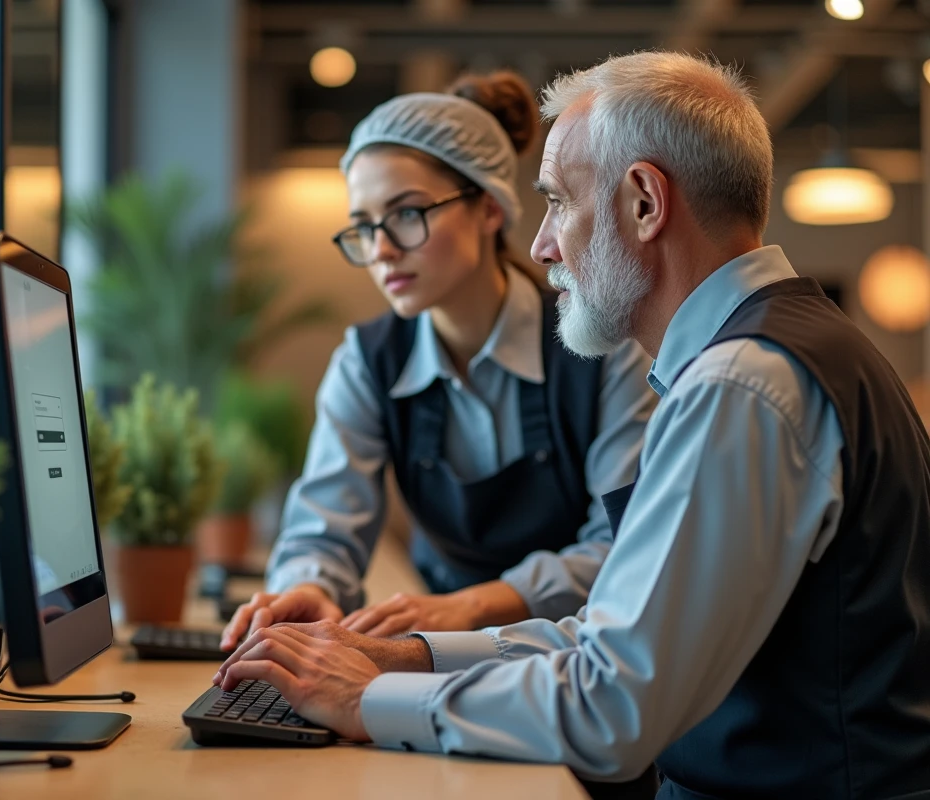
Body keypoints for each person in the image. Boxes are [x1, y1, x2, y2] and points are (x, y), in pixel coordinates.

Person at [214, 51, 930, 799]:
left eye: (558, 202)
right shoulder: (788, 351)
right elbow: (612, 636)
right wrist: (407, 657)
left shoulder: (742, 386)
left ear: (645, 203)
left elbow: (611, 708)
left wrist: (366, 701)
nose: (541, 245)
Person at [220, 71, 657, 650]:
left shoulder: (602, 348)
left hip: (577, 651)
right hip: (433, 644)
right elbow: (322, 526)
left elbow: (624, 543)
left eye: (406, 214)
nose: (381, 249)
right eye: (363, 226)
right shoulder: (368, 360)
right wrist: (311, 586)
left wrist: (473, 604)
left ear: (490, 209)